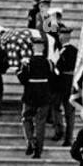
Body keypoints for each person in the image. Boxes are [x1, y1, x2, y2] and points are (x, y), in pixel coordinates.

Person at [18, 30, 53, 158]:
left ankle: (30, 141)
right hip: (44, 95)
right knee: (41, 122)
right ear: (43, 48)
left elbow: (22, 79)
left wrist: (20, 69)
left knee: (26, 118)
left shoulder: (28, 62)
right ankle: (38, 149)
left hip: (30, 95)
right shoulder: (48, 63)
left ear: (33, 48)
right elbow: (52, 78)